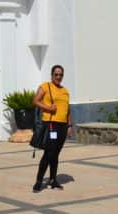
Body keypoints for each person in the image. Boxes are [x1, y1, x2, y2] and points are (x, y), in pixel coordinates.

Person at [32, 64, 72, 193]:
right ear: (52, 75)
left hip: (62, 126)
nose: (58, 77)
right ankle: (39, 181)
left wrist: (70, 125)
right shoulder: (45, 86)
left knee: (56, 154)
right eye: (56, 74)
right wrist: (48, 108)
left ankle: (53, 180)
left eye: (61, 75)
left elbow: (68, 109)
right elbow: (36, 101)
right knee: (49, 152)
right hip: (51, 125)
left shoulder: (65, 90)